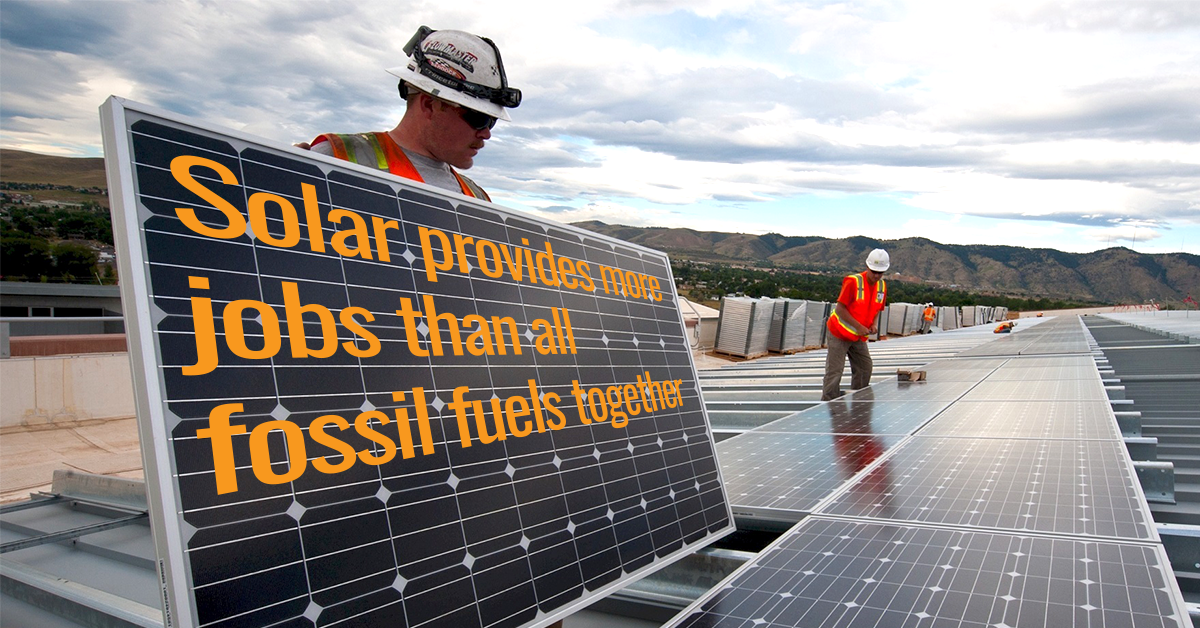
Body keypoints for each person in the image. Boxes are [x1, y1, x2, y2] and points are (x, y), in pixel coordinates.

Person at [307, 26, 521, 201]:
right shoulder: (335, 159)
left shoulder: (477, 199)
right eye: (478, 118)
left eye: (491, 121)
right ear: (429, 105)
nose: (486, 134)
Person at [822, 249, 889, 401]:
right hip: (839, 332)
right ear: (867, 267)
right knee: (835, 372)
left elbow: (878, 308)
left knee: (865, 367)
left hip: (858, 336)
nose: (877, 276)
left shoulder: (882, 286)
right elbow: (840, 309)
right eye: (874, 272)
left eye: (881, 272)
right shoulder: (853, 282)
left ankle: (858, 401)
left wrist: (873, 324)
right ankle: (828, 405)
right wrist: (859, 326)